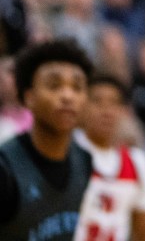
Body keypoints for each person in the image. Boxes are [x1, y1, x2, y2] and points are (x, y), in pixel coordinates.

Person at [0, 38, 95, 241]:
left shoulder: (85, 160)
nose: (68, 96)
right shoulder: (5, 169)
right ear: (28, 97)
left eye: (77, 87)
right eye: (54, 85)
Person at [74, 74, 145, 241]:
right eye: (97, 101)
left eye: (114, 103)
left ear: (124, 111)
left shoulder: (138, 162)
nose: (107, 111)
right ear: (82, 105)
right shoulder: (67, 152)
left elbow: (143, 233)